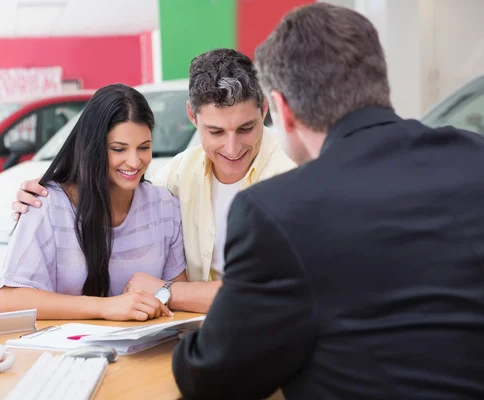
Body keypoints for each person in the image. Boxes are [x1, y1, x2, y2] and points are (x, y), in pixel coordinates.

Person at [172, 3, 484, 399]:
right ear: (379, 82)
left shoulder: (277, 211)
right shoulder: (476, 158)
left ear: (280, 110)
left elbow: (212, 378)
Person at [11, 49, 298, 313]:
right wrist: (50, 194)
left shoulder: (296, 176)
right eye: (216, 132)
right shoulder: (177, 176)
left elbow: (274, 293)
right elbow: (123, 185)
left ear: (264, 109)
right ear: (192, 117)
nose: (232, 148)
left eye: (246, 128)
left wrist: (165, 291)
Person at [0, 84, 187, 321]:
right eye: (118, 149)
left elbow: (178, 301)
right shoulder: (48, 204)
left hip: (146, 352)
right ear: (93, 147)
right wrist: (106, 308)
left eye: (143, 148)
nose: (134, 162)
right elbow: (6, 300)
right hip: (70, 353)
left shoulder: (164, 206)